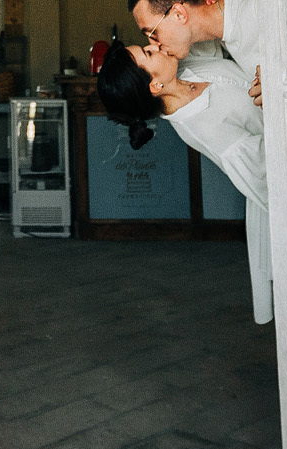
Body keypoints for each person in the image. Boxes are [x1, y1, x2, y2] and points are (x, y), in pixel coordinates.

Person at [97, 41, 273, 324]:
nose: (155, 45)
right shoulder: (204, 127)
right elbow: (272, 179)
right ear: (155, 86)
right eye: (149, 53)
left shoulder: (187, 67)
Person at [127, 0, 268, 106]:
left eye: (153, 33)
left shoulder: (261, 10)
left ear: (179, 14)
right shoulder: (222, 33)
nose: (154, 45)